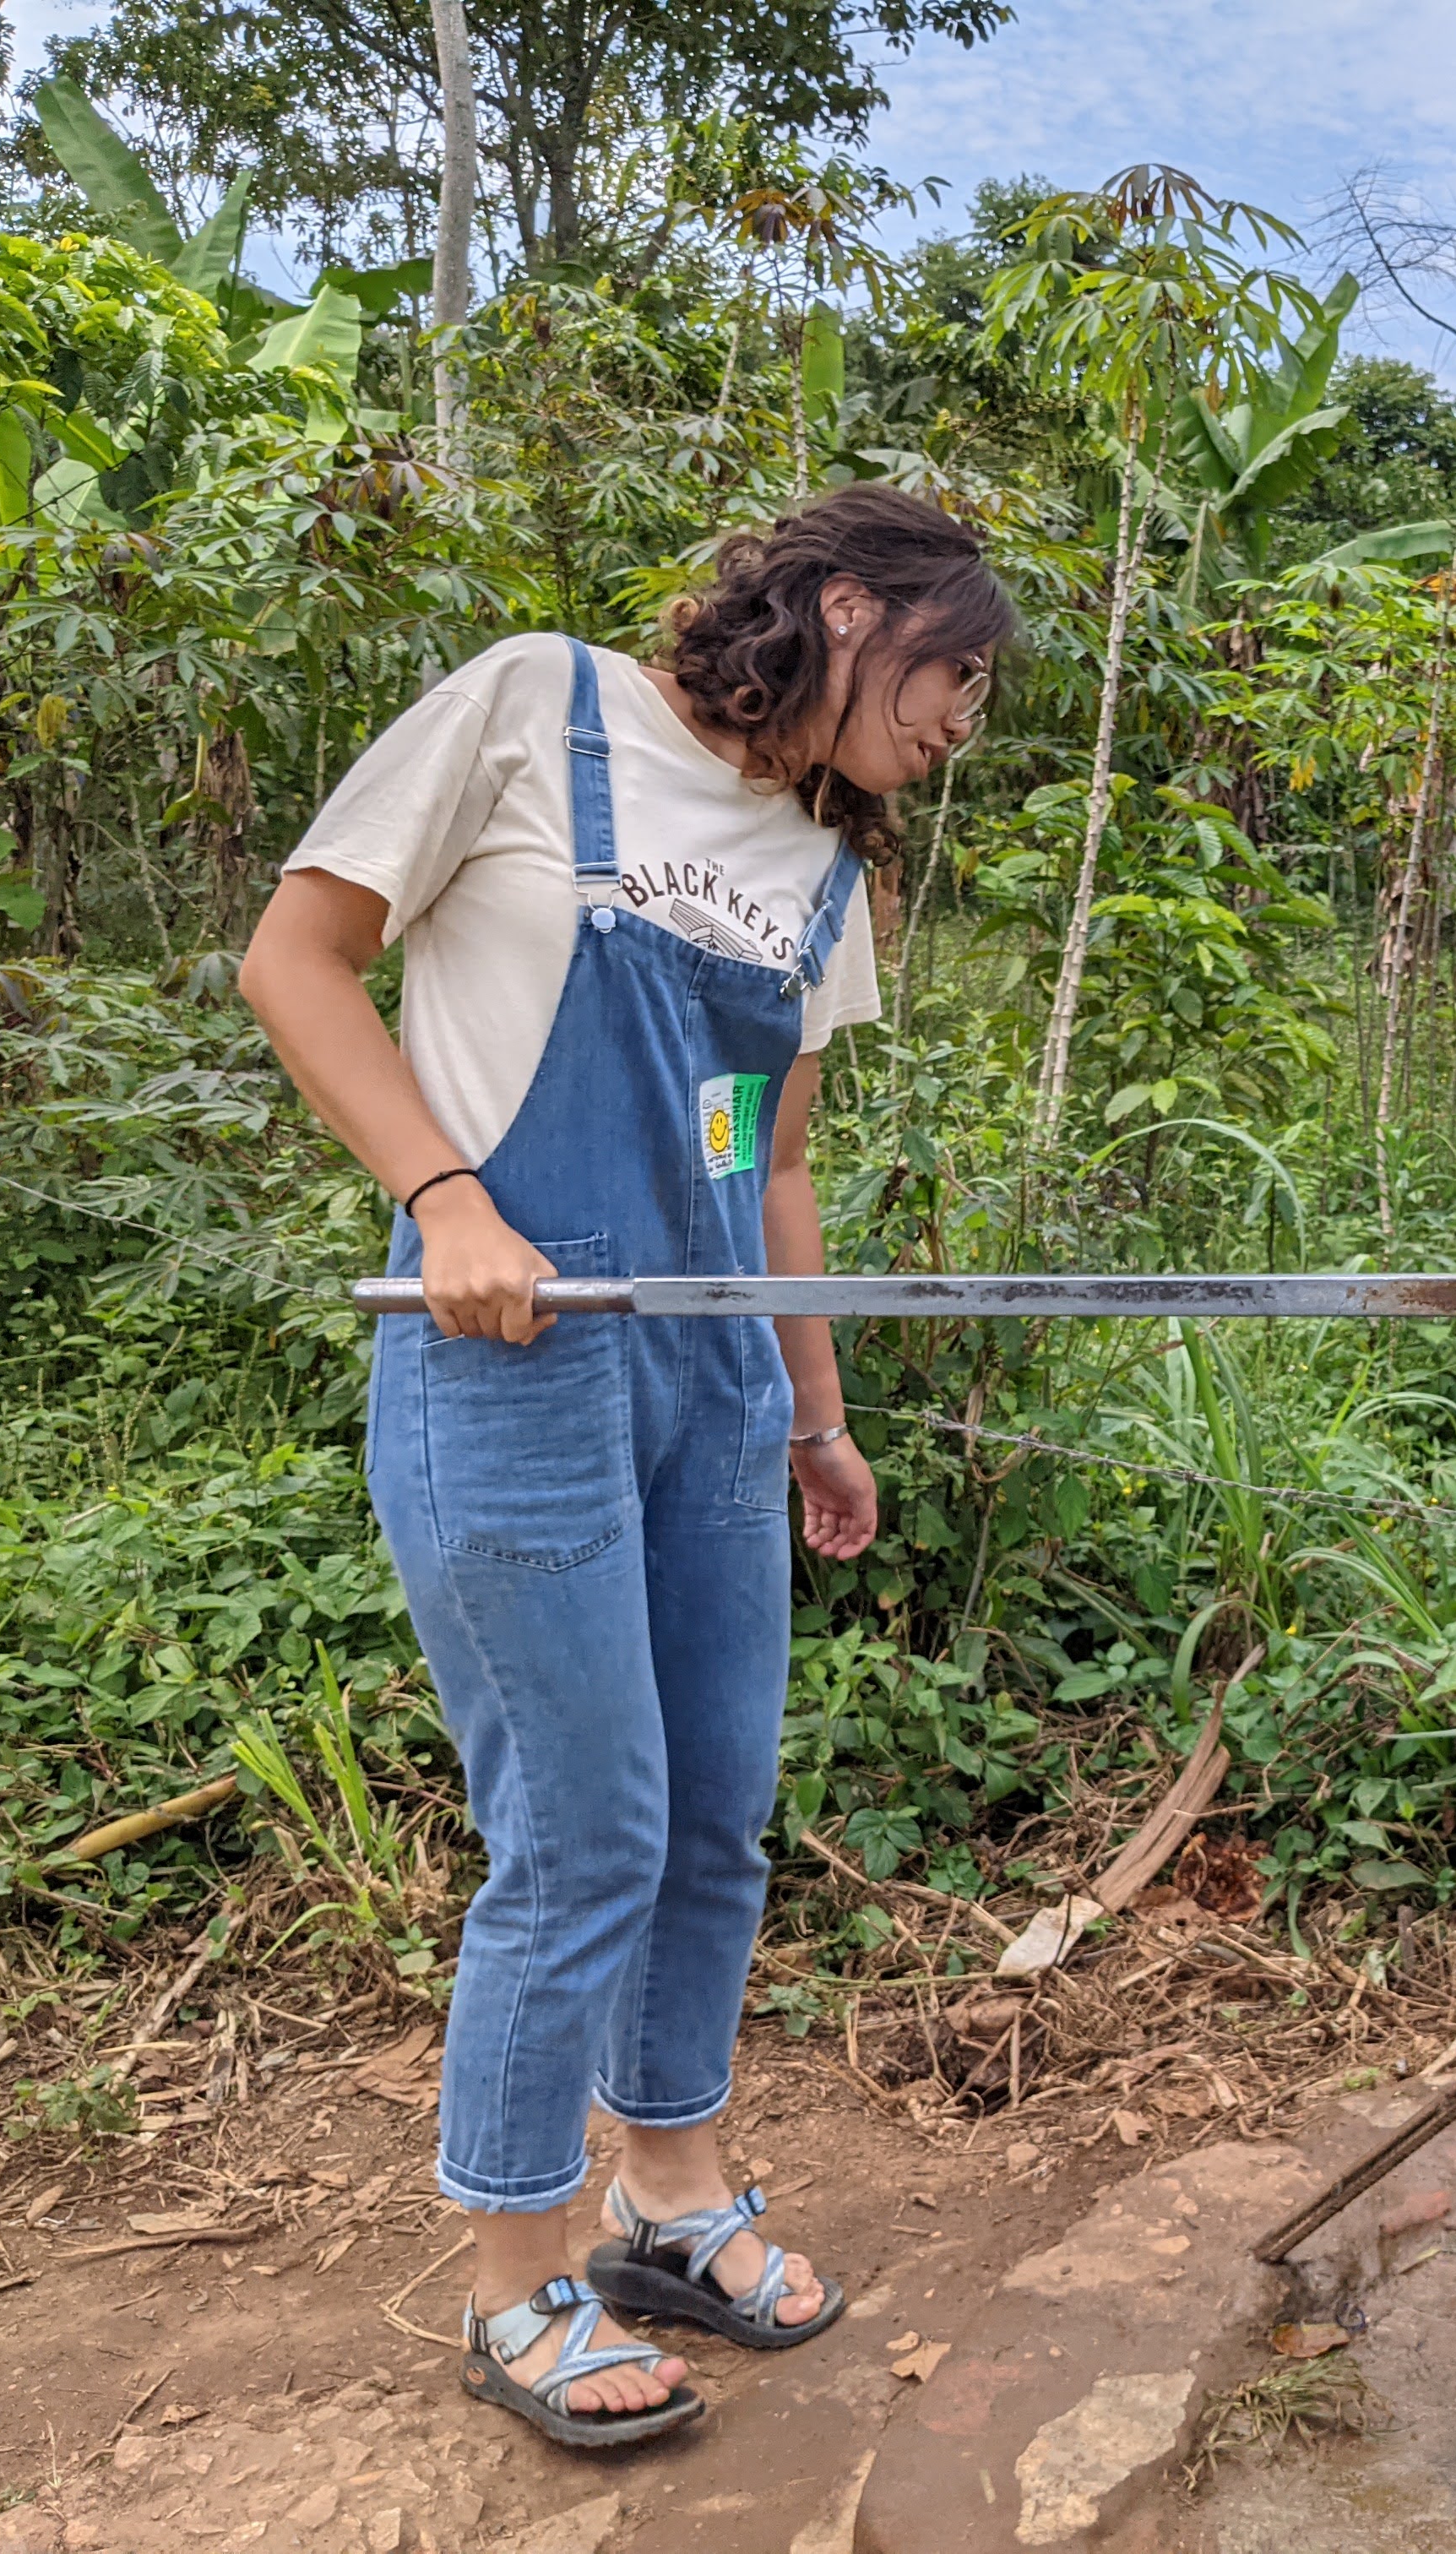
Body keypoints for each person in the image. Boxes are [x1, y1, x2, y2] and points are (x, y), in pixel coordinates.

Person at [240, 486, 1013, 2448]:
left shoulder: (830, 873)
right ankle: (516, 2286)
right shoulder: (537, 711)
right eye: (956, 677)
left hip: (712, 1384)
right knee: (578, 1836)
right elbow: (295, 961)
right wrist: (445, 1203)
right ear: (849, 611)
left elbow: (777, 1161)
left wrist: (815, 1416)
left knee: (711, 1821)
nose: (962, 727)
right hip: (512, 1355)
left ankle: (668, 2196)